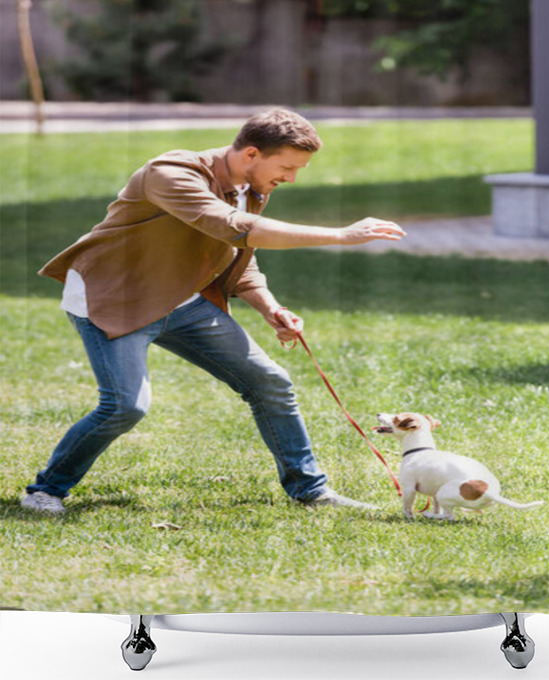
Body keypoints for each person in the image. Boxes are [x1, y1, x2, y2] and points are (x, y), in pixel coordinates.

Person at [21, 108, 406, 515]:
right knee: (125, 406)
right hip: (115, 299)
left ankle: (310, 491)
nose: (291, 178)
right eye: (288, 167)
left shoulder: (251, 186)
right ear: (252, 153)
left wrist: (269, 307)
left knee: (271, 382)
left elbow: (239, 254)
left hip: (182, 300)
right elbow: (234, 228)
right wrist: (341, 236)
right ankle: (45, 490)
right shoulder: (170, 174)